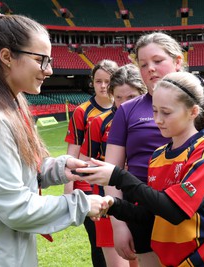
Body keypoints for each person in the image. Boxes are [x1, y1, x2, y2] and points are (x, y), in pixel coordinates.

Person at [0, 10, 109, 267]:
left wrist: (59, 167)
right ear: (6, 56)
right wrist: (82, 205)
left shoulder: (5, 106)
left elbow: (14, 172)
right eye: (41, 60)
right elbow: (15, 207)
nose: (48, 70)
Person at [80, 71, 204, 267]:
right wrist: (112, 204)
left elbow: (175, 210)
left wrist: (118, 176)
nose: (157, 120)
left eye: (166, 112)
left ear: (193, 112)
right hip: (174, 261)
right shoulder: (158, 156)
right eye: (154, 111)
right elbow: (152, 213)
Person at [104, 32, 186, 266]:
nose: (150, 68)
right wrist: (118, 225)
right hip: (142, 211)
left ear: (177, 61)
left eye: (158, 61)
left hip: (189, 210)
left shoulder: (197, 103)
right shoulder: (127, 110)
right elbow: (111, 172)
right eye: (143, 64)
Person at [79, 64, 147, 267]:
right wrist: (91, 199)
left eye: (131, 97)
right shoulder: (98, 123)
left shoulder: (153, 121)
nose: (124, 104)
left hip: (142, 203)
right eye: (118, 97)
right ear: (111, 95)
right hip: (108, 203)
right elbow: (86, 164)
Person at [64, 59, 118, 267]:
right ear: (92, 83)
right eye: (98, 81)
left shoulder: (124, 108)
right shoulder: (82, 111)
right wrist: (68, 191)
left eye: (108, 81)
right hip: (88, 187)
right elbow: (73, 152)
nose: (103, 86)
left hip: (115, 184)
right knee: (98, 244)